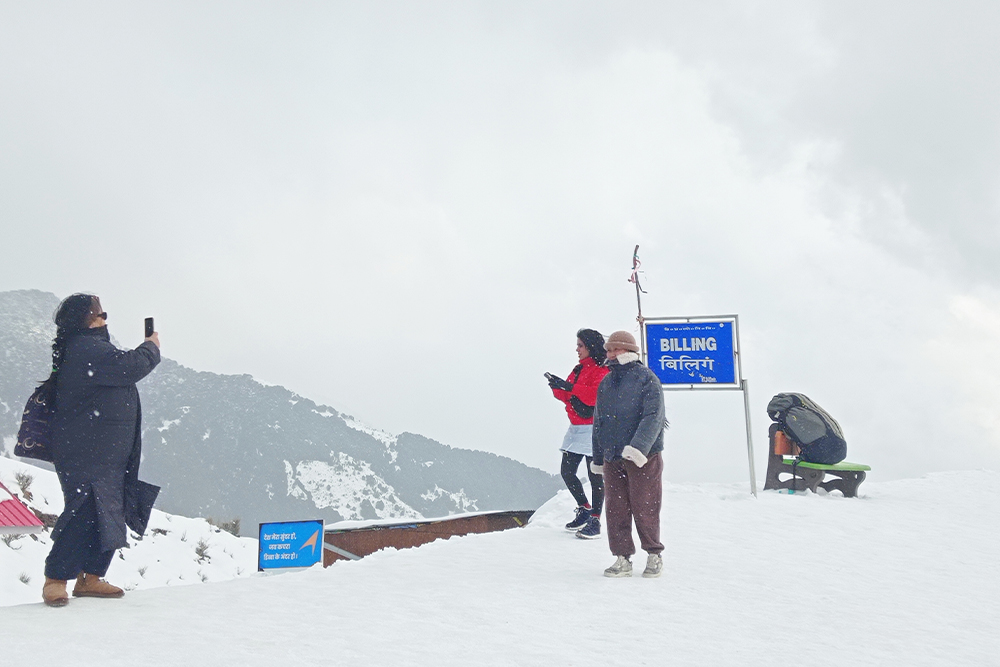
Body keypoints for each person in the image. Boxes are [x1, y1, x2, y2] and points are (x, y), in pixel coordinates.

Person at [41, 294, 161, 607]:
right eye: (100, 314)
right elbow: (130, 366)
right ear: (86, 320)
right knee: (87, 510)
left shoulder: (89, 348)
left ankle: (91, 577)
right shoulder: (86, 349)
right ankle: (56, 578)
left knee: (110, 510)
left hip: (104, 452)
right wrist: (151, 346)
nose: (105, 319)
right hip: (87, 452)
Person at [591, 330, 666, 578]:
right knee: (616, 509)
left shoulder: (647, 379)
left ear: (629, 350)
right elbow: (598, 421)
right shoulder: (606, 382)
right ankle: (622, 558)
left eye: (615, 349)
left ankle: (654, 555)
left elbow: (653, 417)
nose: (610, 354)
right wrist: (598, 456)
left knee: (645, 506)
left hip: (643, 457)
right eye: (608, 350)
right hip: (612, 456)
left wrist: (638, 449)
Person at [546, 329, 609, 539]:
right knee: (567, 471)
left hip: (594, 428)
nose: (577, 349)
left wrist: (570, 387)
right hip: (575, 428)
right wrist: (557, 387)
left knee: (595, 476)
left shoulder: (601, 370)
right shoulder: (579, 369)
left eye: (580, 345)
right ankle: (584, 508)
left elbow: (594, 397)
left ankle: (596, 519)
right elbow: (568, 395)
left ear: (590, 347)